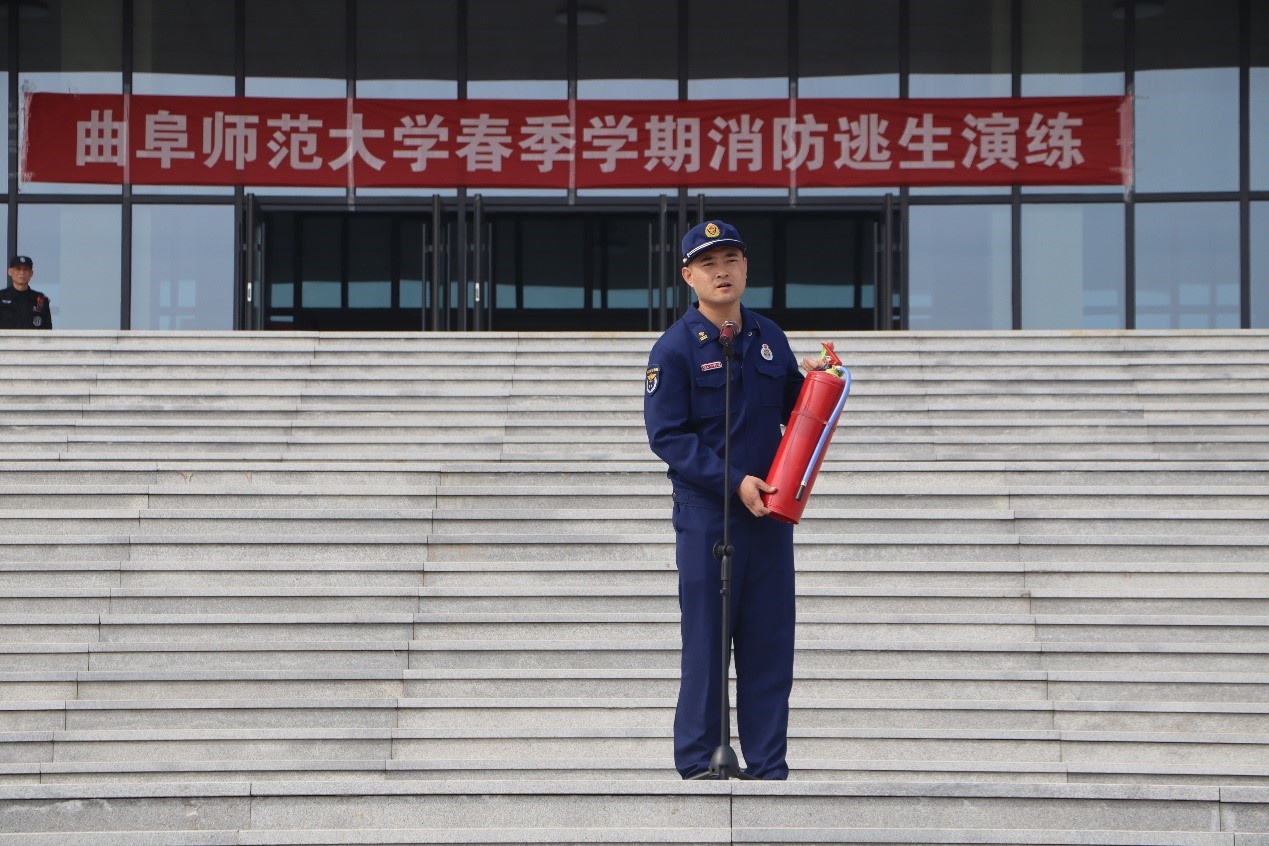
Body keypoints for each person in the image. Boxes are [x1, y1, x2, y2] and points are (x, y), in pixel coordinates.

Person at [643, 220, 822, 780]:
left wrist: (820, 382)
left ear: (745, 268)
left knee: (770, 643)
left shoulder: (769, 336)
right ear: (688, 276)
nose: (722, 272)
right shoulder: (674, 349)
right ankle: (700, 760)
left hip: (768, 514)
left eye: (731, 260)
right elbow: (667, 436)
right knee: (707, 644)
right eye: (709, 263)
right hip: (709, 517)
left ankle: (768, 765)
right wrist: (732, 481)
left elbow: (795, 408)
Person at [0, 255, 53, 330]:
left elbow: (48, 330)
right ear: (10, 272)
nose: (22, 272)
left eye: (26, 269)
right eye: (18, 269)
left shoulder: (40, 299)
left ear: (31, 273)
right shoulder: (1, 297)